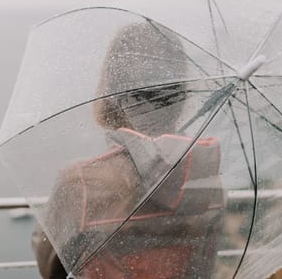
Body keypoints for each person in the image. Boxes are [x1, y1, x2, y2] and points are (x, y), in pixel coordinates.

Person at [31, 21, 225, 279]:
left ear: (115, 92)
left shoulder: (79, 183)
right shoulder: (206, 178)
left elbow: (50, 268)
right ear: (181, 94)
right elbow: (203, 270)